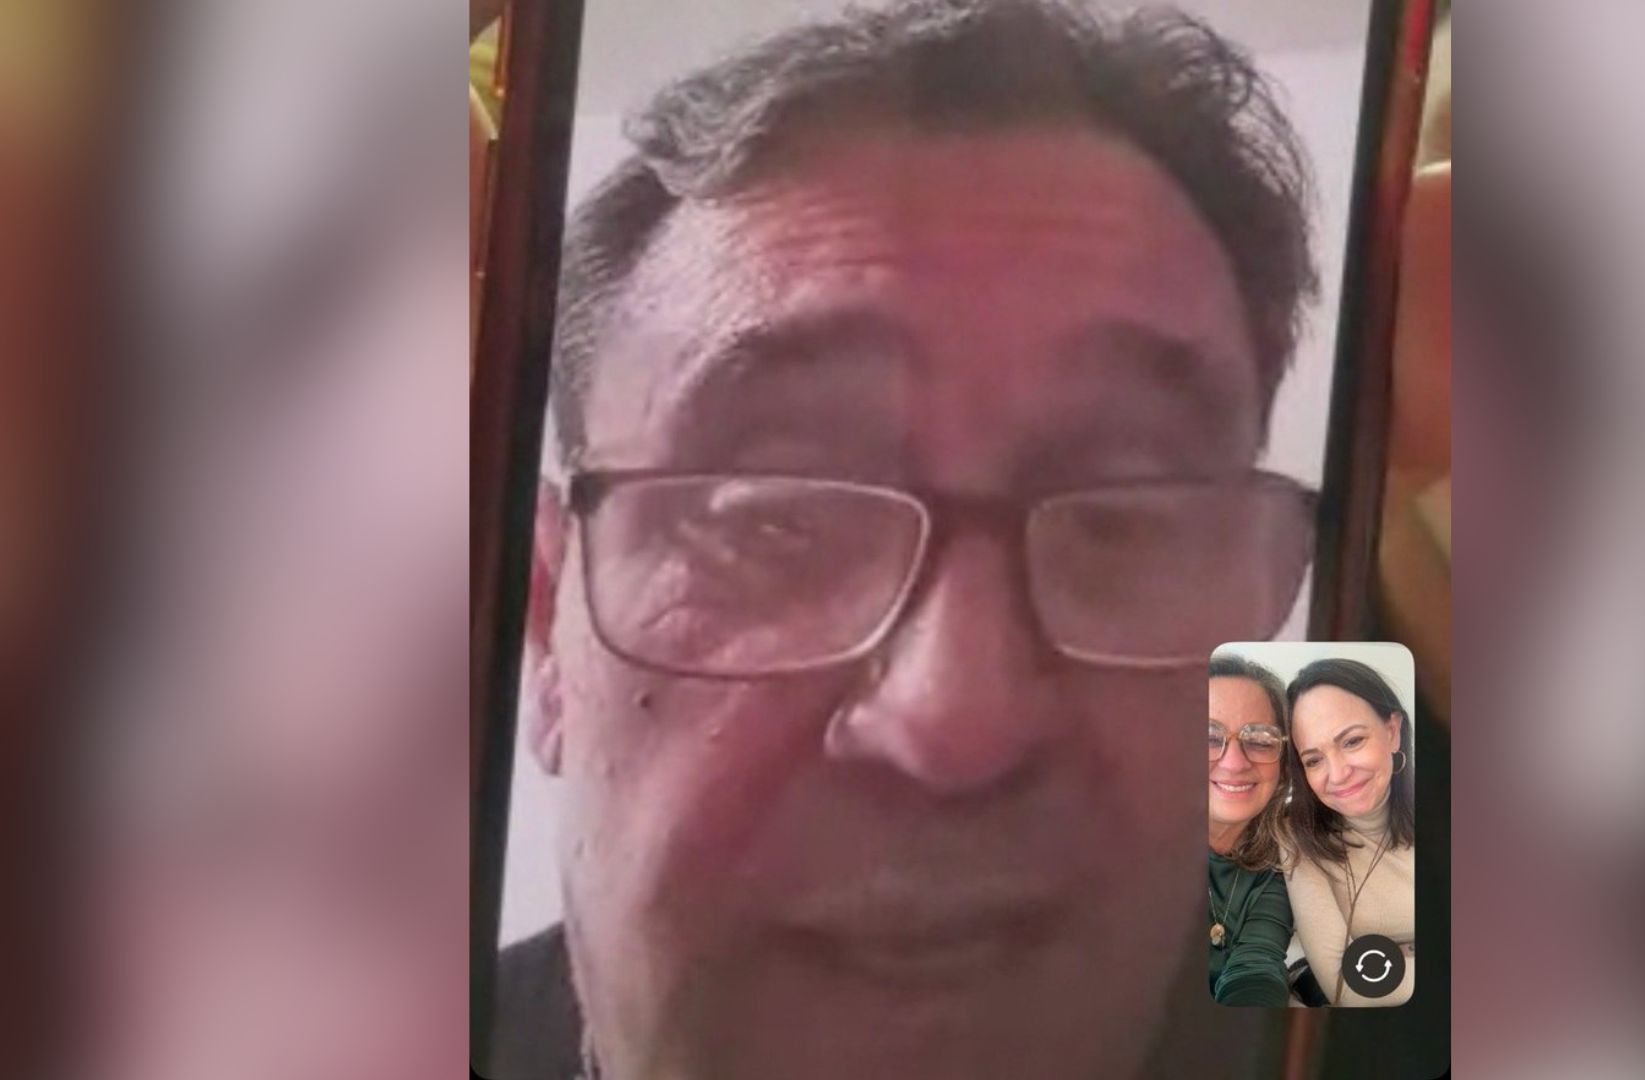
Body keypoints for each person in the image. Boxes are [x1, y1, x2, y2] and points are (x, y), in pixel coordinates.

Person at [490, 1, 1324, 1077]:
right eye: (779, 514)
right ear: (546, 625)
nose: (959, 721)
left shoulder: (1326, 960)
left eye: (1123, 516)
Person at [1279, 658, 1415, 1007]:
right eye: (1313, 760)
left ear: (1393, 732)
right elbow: (1345, 984)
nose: (1338, 774)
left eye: (1352, 741)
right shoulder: (1296, 832)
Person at [1205, 655, 1295, 1006]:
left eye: (1259, 740)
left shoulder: (1281, 860)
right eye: (1208, 737)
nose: (1235, 763)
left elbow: (1258, 964)